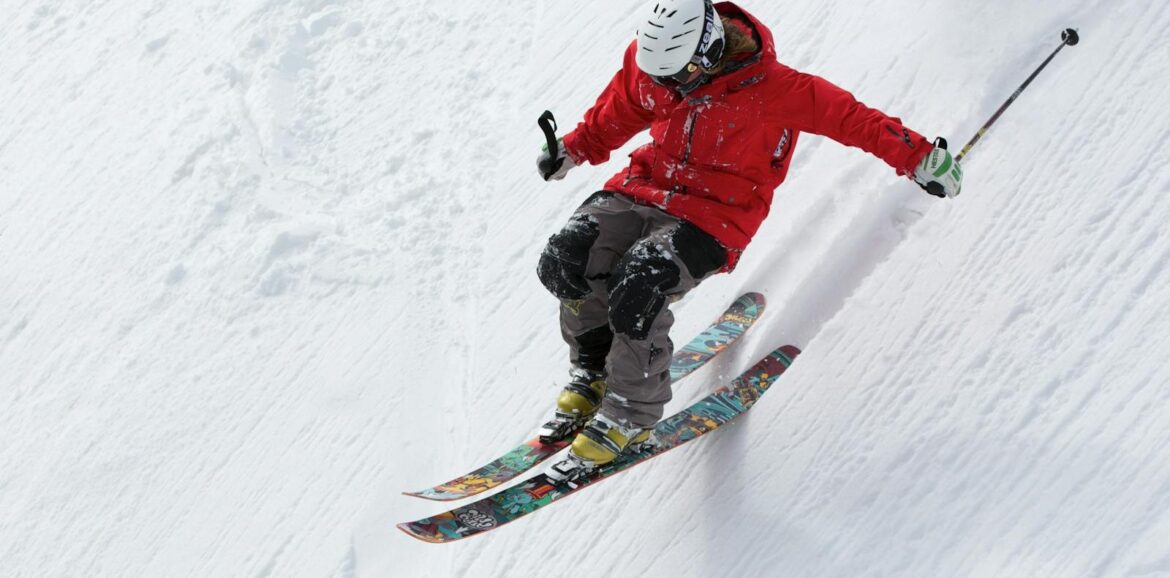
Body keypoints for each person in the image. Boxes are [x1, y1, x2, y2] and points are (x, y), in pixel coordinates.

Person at [534, 0, 963, 471]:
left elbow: (852, 119)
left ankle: (630, 413)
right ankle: (593, 370)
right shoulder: (657, 66)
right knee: (566, 257)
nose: (665, 87)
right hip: (645, 188)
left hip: (714, 216)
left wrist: (919, 156)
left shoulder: (774, 89)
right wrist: (574, 148)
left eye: (676, 76)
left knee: (638, 285)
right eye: (658, 76)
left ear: (709, 49)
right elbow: (624, 107)